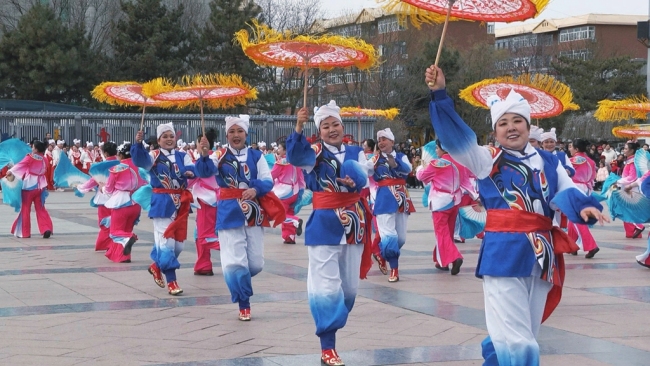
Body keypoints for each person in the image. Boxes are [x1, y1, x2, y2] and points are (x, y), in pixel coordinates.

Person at [425, 64, 607, 366]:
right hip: (503, 254)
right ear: (495, 131)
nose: (511, 127)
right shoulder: (487, 160)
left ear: (528, 124)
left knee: (523, 333)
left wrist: (585, 208)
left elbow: (567, 192)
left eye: (517, 121)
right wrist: (439, 94)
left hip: (541, 256)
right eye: (503, 123)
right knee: (519, 343)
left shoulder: (550, 161)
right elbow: (456, 136)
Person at [286, 101, 372, 366]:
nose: (331, 129)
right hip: (324, 224)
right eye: (325, 126)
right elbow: (295, 157)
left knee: (348, 289)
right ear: (319, 130)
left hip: (354, 223)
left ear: (342, 127)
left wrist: (354, 181)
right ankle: (328, 346)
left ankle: (332, 324)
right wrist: (298, 128)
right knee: (326, 286)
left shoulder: (357, 152)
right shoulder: (313, 152)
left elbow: (366, 178)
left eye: (335, 124)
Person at [195, 115, 281, 321]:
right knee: (236, 263)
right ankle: (244, 303)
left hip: (253, 211)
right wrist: (204, 155)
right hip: (229, 213)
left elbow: (268, 181)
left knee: (256, 264)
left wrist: (255, 188)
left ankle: (235, 278)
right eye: (232, 132)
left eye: (239, 131)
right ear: (226, 135)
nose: (236, 135)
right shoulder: (219, 154)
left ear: (246, 133)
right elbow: (204, 171)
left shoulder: (256, 156)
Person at [131, 123, 196, 296]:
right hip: (162, 202)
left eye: (171, 136)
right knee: (167, 243)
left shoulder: (183, 155)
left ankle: (156, 266)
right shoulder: (154, 155)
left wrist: (191, 172)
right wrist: (138, 144)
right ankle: (172, 281)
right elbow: (141, 161)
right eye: (165, 136)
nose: (168, 139)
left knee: (179, 245)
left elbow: (193, 169)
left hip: (181, 202)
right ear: (159, 140)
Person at [371, 128, 414, 282]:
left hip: (401, 197)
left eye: (384, 139)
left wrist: (395, 164)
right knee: (389, 236)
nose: (381, 142)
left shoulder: (402, 156)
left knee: (400, 238)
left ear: (392, 141)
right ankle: (394, 269)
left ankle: (381, 254)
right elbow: (364, 171)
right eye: (379, 140)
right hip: (384, 199)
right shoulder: (375, 159)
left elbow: (409, 170)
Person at [416, 140, 464, 275]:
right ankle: (441, 261)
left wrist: (421, 167)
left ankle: (455, 257)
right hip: (455, 201)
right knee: (447, 233)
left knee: (442, 233)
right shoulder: (459, 161)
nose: (436, 151)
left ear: (443, 149)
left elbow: (421, 177)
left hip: (440, 202)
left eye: (437, 148)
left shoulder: (436, 163)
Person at [75, 141, 119, 252]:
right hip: (118, 197)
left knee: (104, 222)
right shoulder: (121, 165)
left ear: (105, 153)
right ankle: (116, 243)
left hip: (104, 197)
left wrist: (81, 187)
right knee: (116, 222)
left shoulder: (100, 166)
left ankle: (104, 244)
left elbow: (93, 181)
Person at [5, 140, 54, 238]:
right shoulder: (44, 159)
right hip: (40, 187)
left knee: (25, 208)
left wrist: (10, 171)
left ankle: (25, 232)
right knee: (40, 208)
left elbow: (20, 165)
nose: (32, 149)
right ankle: (46, 228)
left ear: (36, 149)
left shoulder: (30, 157)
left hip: (29, 186)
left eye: (33, 147)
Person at [189, 129, 221, 276]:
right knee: (198, 234)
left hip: (207, 201)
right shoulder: (217, 156)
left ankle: (233, 247)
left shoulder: (209, 160)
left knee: (205, 236)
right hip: (214, 200)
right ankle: (203, 264)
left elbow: (193, 178)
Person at [566, 139, 600, 258]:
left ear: (576, 149)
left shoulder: (574, 160)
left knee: (576, 218)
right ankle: (571, 245)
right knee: (572, 217)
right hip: (586, 188)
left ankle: (591, 245)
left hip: (575, 188)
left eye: (571, 147)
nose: (569, 149)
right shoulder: (590, 161)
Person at [271, 141, 305, 244]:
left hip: (283, 192)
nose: (278, 150)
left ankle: (296, 221)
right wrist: (300, 192)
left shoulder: (281, 162)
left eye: (280, 148)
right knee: (288, 212)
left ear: (285, 150)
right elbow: (301, 178)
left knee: (280, 214)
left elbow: (272, 175)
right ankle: (289, 237)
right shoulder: (296, 162)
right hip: (294, 191)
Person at [617, 142, 645, 238]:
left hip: (631, 188)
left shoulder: (632, 162)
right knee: (628, 210)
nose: (624, 150)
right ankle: (634, 231)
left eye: (625, 148)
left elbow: (632, 177)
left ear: (632, 150)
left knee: (628, 210)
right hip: (628, 187)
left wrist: (618, 181)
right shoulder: (630, 160)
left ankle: (638, 227)